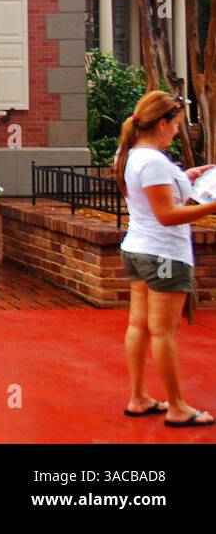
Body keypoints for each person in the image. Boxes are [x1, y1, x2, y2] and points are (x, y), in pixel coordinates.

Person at [115, 90, 216, 427]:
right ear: (161, 123)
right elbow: (168, 215)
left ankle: (139, 397)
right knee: (163, 332)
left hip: (138, 249)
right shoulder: (154, 161)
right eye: (175, 124)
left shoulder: (131, 154)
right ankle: (177, 406)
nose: (177, 131)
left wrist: (185, 178)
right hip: (162, 254)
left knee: (139, 325)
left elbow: (155, 195)